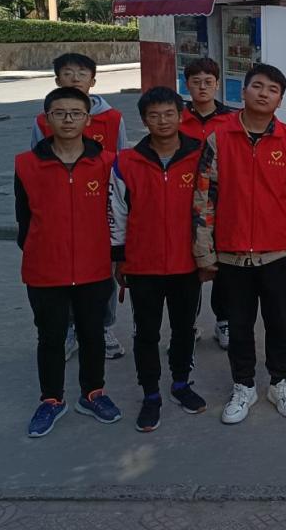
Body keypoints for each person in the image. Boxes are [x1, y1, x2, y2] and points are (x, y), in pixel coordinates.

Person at [193, 63, 286, 425]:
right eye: (257, 86)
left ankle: (279, 382)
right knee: (239, 325)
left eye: (273, 89)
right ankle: (243, 385)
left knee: (279, 323)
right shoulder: (219, 138)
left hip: (277, 253)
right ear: (243, 92)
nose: (264, 94)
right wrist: (203, 250)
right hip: (231, 254)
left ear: (280, 99)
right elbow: (204, 196)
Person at [15, 87, 121, 437]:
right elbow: (23, 219)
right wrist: (41, 250)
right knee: (51, 337)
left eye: (76, 113)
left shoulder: (106, 162)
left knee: (92, 334)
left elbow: (116, 214)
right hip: (46, 269)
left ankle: (93, 394)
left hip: (94, 267)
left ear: (88, 120)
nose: (68, 119)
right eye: (59, 113)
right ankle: (51, 399)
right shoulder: (27, 164)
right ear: (46, 119)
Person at [109, 87, 207, 432]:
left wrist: (208, 254)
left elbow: (213, 206)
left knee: (184, 329)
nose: (162, 121)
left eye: (169, 114)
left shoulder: (200, 156)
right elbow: (117, 213)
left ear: (181, 116)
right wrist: (120, 258)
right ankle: (150, 394)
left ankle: (181, 384)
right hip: (143, 265)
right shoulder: (125, 162)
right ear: (144, 120)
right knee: (146, 333)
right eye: (154, 115)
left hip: (186, 263)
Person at [31, 52, 127, 363]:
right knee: (63, 273)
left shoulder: (113, 118)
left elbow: (123, 164)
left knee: (103, 273)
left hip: (100, 209)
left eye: (81, 73)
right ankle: (71, 329)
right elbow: (35, 166)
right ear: (57, 79)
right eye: (68, 73)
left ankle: (103, 327)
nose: (75, 78)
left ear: (93, 80)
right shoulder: (43, 120)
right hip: (60, 211)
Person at [177, 57, 233, 351]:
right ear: (186, 85)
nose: (202, 87)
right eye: (196, 82)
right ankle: (189, 321)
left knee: (223, 263)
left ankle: (223, 320)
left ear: (217, 84)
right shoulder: (177, 119)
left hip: (221, 202)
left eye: (208, 82)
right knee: (189, 264)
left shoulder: (231, 120)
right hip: (183, 198)